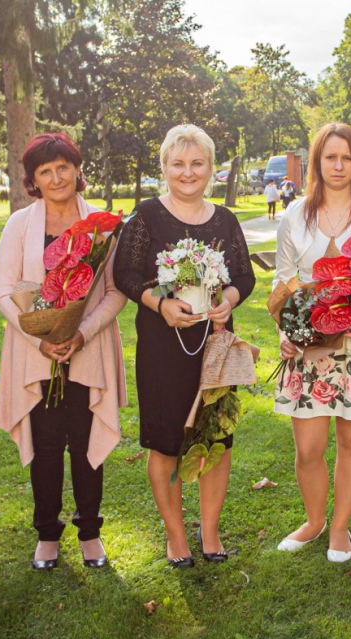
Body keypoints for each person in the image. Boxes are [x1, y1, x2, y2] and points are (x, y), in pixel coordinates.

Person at [113, 124, 255, 567]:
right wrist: (159, 304)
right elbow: (125, 274)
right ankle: (176, 537)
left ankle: (209, 532)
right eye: (178, 164)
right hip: (162, 346)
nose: (188, 172)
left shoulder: (225, 220)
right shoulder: (147, 216)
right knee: (166, 443)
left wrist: (227, 301)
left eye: (197, 163)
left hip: (213, 344)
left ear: (211, 168)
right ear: (165, 168)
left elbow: (245, 277)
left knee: (216, 437)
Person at [0, 133, 127, 570]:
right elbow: (4, 291)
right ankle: (47, 534)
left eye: (63, 167)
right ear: (33, 179)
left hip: (87, 349)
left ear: (76, 168)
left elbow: (115, 292)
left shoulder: (104, 225)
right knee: (47, 445)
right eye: (44, 171)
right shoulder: (19, 225)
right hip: (37, 353)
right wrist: (41, 339)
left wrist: (82, 334)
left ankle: (90, 531)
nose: (56, 178)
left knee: (87, 444)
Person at [273, 123, 351, 562]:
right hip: (309, 343)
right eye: (330, 156)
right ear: (317, 161)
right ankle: (314, 520)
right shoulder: (294, 214)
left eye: (347, 157)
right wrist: (283, 330)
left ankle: (340, 528)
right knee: (307, 449)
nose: (339, 165)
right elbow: (284, 279)